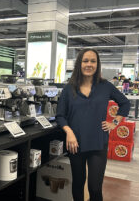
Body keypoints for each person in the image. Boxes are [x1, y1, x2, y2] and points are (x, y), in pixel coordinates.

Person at [56, 48, 130, 201]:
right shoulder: (69, 89)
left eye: (93, 61)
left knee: (95, 188)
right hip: (75, 144)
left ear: (97, 64)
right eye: (85, 61)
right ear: (79, 64)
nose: (89, 64)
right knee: (78, 183)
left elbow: (125, 103)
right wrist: (68, 132)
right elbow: (60, 116)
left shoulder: (105, 86)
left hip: (98, 143)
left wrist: (114, 122)